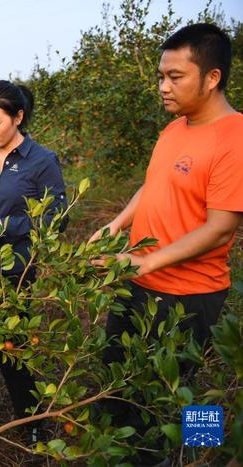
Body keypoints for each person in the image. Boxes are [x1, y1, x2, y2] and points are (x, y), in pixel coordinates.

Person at [89, 22, 243, 458]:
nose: (163, 86)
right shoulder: (176, 128)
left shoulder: (236, 137)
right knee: (122, 383)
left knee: (184, 390)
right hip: (139, 283)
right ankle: (126, 453)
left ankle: (200, 455)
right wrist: (116, 225)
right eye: (161, 76)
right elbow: (152, 187)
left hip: (190, 294)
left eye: (175, 77)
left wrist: (143, 263)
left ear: (212, 77)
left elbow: (220, 228)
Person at [0, 80, 67, 443]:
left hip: (15, 272)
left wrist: (8, 225)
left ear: (18, 117)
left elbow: (57, 217)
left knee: (12, 349)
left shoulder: (41, 161)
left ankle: (31, 423)